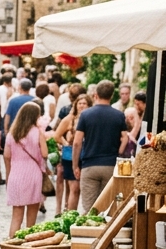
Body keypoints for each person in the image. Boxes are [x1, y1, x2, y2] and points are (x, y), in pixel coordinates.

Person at [74, 80, 130, 211]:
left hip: (89, 165)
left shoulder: (85, 115)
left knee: (89, 209)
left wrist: (75, 165)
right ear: (111, 96)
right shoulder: (119, 115)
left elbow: (77, 142)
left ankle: (90, 231)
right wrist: (119, 153)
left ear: (96, 95)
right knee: (108, 207)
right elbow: (125, 138)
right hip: (110, 165)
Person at [5, 102, 49, 238]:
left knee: (16, 217)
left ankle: (11, 246)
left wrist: (8, 175)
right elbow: (45, 153)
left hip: (16, 175)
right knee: (31, 220)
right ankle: (28, 248)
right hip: (33, 175)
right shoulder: (38, 132)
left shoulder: (12, 134)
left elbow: (6, 156)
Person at [53, 93, 90, 213]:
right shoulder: (69, 119)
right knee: (74, 188)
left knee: (83, 188)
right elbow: (57, 135)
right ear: (76, 105)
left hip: (87, 156)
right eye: (80, 103)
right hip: (70, 157)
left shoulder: (90, 118)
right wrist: (66, 144)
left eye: (85, 103)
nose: (82, 106)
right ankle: (70, 215)